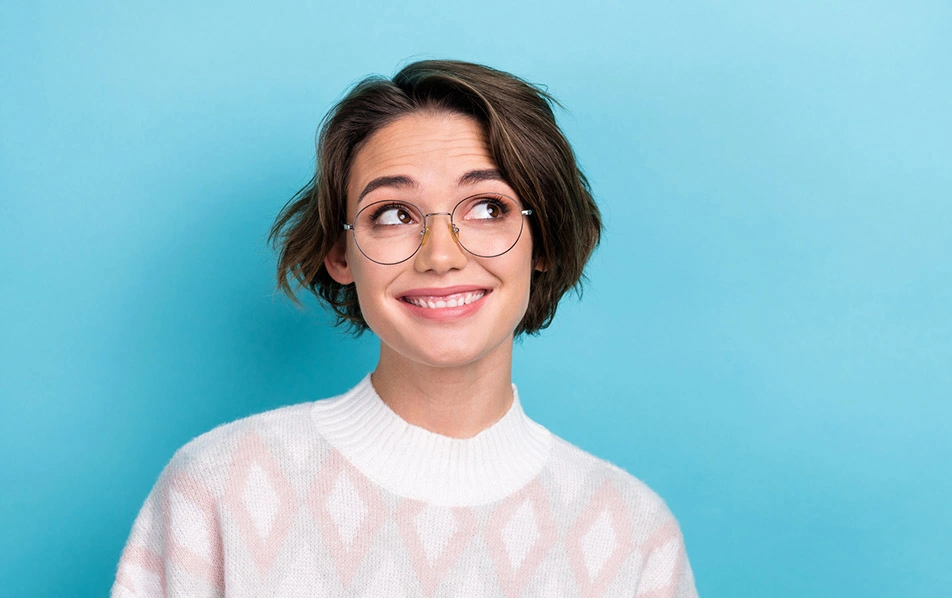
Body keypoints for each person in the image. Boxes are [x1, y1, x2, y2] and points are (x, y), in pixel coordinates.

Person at [112, 59, 698, 597]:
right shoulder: (215, 489)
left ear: (540, 240)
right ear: (341, 254)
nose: (441, 255)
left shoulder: (632, 533)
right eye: (393, 214)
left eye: (488, 207)